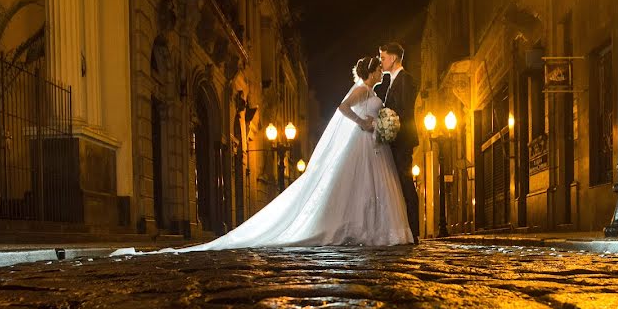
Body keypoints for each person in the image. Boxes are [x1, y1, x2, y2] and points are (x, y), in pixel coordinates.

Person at [112, 57, 412, 256]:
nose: (379, 74)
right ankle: (357, 227)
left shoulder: (373, 93)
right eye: (376, 71)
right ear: (370, 72)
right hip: (362, 143)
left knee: (367, 189)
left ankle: (373, 228)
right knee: (354, 186)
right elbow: (343, 108)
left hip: (373, 147)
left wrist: (382, 125)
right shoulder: (361, 90)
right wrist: (364, 123)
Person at [376, 42, 419, 243]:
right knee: (399, 185)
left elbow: (403, 112)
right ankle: (405, 229)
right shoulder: (394, 80)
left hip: (401, 140)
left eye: (383, 58)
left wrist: (389, 127)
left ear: (393, 58)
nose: (381, 62)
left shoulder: (405, 79)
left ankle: (413, 229)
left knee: (405, 182)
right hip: (396, 141)